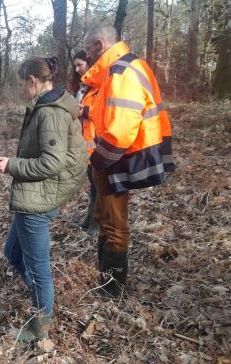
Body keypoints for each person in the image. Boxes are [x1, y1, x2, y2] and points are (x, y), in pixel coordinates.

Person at [0, 56, 87, 342]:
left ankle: (39, 326)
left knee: (38, 268)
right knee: (13, 254)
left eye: (22, 83)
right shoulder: (46, 106)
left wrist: (12, 165)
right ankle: (42, 304)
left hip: (39, 198)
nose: (21, 89)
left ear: (33, 81)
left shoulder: (50, 113)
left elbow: (51, 163)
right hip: (35, 193)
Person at [81, 25, 174, 297]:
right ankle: (106, 281)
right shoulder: (121, 69)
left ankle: (112, 290)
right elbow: (110, 112)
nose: (88, 56)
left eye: (88, 49)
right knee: (105, 217)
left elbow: (121, 128)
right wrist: (85, 111)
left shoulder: (120, 72)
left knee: (114, 223)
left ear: (99, 44)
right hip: (119, 155)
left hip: (118, 157)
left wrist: (98, 161)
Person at [71, 51, 98, 234]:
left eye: (80, 65)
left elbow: (106, 111)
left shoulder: (100, 86)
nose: (77, 69)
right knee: (93, 184)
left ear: (89, 63)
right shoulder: (81, 88)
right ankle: (89, 219)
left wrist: (85, 111)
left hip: (98, 143)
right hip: (84, 143)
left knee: (98, 185)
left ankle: (96, 224)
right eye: (75, 66)